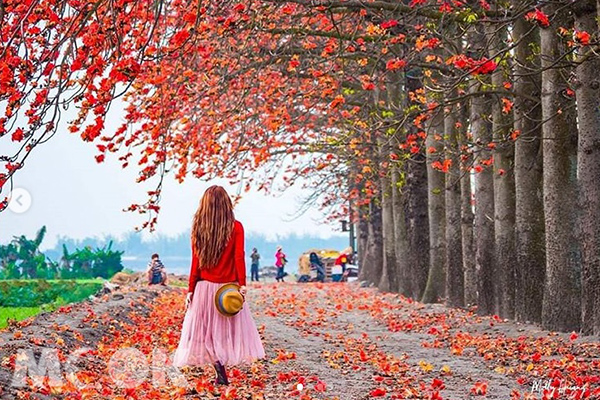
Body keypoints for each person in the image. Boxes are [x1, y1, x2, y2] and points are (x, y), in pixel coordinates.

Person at [173, 186, 265, 385]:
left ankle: (220, 372)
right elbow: (238, 257)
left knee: (207, 333)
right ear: (227, 204)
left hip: (204, 289)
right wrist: (242, 284)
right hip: (227, 291)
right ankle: (222, 371)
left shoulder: (198, 227)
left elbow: (195, 261)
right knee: (224, 330)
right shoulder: (236, 227)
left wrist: (190, 289)